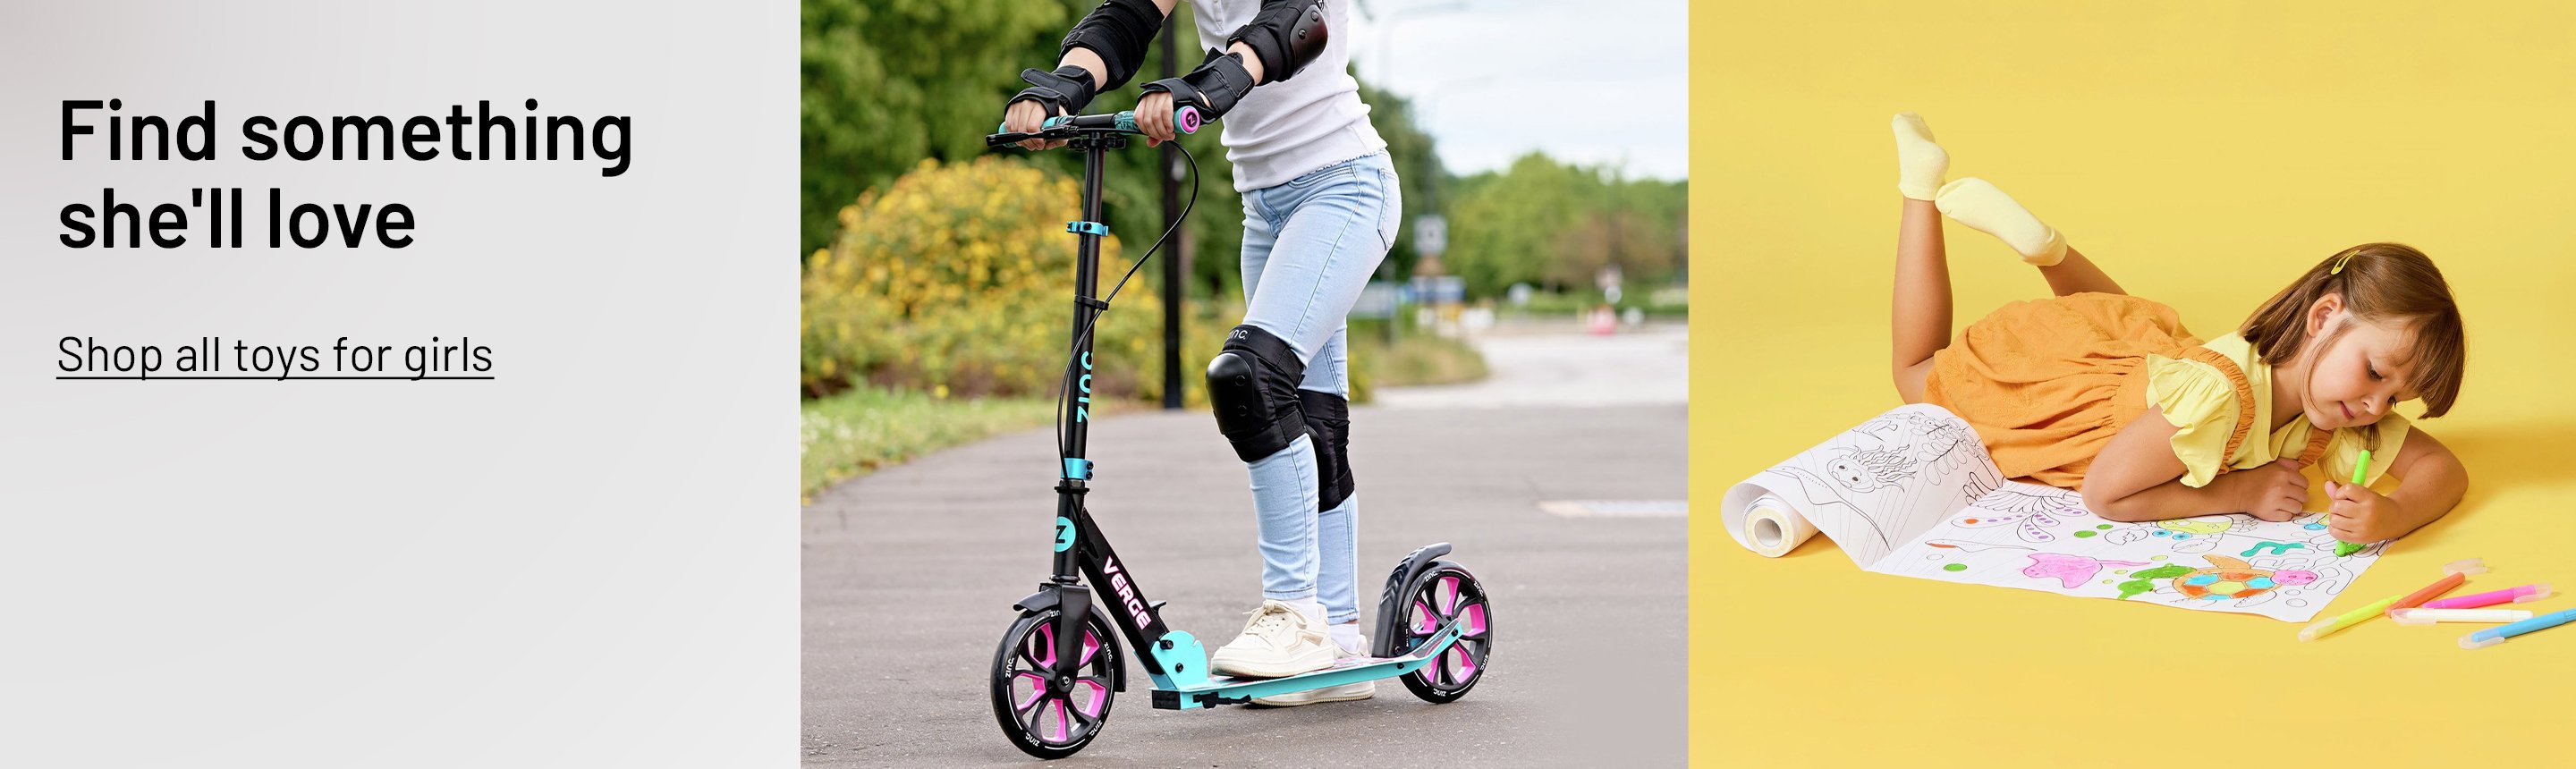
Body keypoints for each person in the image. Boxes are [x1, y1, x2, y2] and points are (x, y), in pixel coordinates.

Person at [1000, 0, 1399, 706]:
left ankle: (1293, 614)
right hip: (1266, 208)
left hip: (1345, 186)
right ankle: (1336, 632)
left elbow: (1291, 28)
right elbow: (1122, 22)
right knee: (1313, 418)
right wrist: (1061, 85)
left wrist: (1205, 86)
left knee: (1250, 380)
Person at [1885, 112, 2470, 545]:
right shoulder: (2218, 397)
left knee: (2112, 324)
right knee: (1915, 370)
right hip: (2070, 405)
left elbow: (2442, 470)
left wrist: (2394, 515)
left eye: (2396, 395)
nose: (2376, 404)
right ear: (2322, 318)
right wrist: (2239, 493)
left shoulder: (2336, 405)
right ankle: (1920, 191)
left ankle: (2050, 251)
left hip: (2146, 371)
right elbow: (2104, 493)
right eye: (2374, 374)